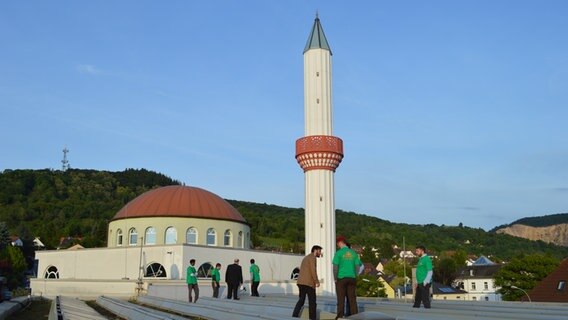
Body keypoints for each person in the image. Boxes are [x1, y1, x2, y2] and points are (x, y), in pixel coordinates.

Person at [332, 236, 362, 319]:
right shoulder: (353, 253)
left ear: (340, 242)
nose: (337, 245)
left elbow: (335, 267)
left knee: (341, 300)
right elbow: (358, 266)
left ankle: (340, 317)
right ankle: (355, 317)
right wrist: (355, 275)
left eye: (337, 243)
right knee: (352, 300)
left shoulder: (338, 253)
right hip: (352, 278)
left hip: (342, 278)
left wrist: (335, 278)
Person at [292, 245, 322, 320]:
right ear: (315, 250)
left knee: (301, 300)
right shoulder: (312, 258)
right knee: (312, 302)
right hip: (308, 283)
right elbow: (313, 270)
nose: (320, 253)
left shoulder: (307, 257)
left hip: (301, 282)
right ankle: (312, 318)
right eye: (319, 251)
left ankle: (294, 316)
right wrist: (316, 281)